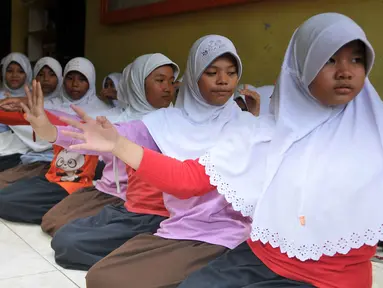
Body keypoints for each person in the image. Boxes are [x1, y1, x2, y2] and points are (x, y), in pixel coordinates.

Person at [29, 13, 382, 288]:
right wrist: (113, 143)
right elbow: (187, 180)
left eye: (356, 59)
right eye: (330, 60)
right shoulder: (265, 135)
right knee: (91, 263)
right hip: (236, 247)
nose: (345, 72)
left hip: (325, 275)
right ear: (301, 69)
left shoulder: (372, 138)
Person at [22, 35, 251, 287]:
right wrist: (50, 131)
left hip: (226, 234)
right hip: (177, 225)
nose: (223, 81)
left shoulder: (247, 127)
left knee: (105, 278)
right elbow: (109, 136)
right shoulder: (166, 122)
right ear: (195, 77)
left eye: (231, 73)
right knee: (93, 269)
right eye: (211, 72)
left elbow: (189, 180)